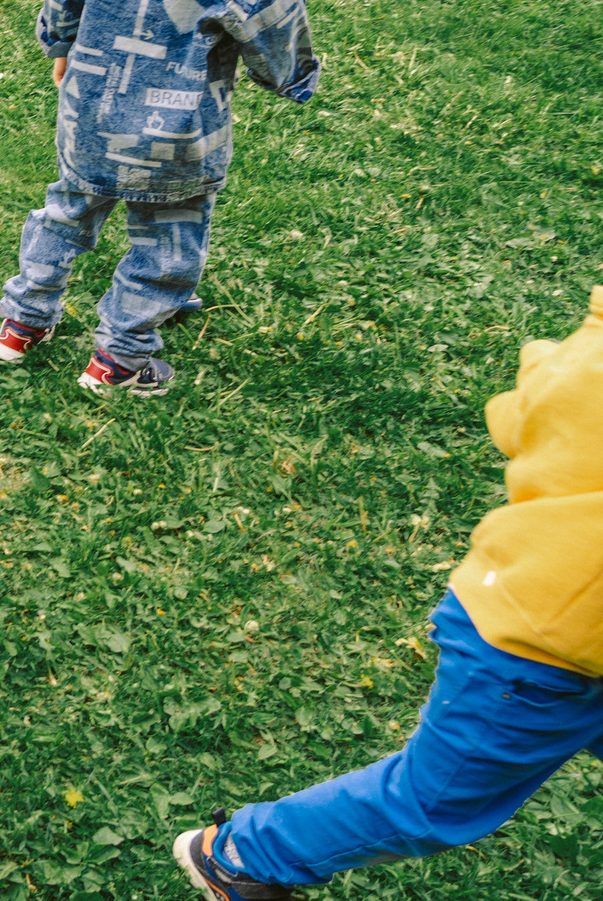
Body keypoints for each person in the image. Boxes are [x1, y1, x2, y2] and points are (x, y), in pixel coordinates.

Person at [175, 286, 603, 900]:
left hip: (557, 620)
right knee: (432, 802)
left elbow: (520, 417)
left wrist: (548, 375)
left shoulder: (588, 355)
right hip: (539, 646)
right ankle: (242, 855)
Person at [0, 0, 319, 395]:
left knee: (66, 211)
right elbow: (277, 29)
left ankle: (22, 322)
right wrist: (292, 78)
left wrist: (60, 43)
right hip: (180, 134)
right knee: (166, 245)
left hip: (90, 114)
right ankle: (121, 357)